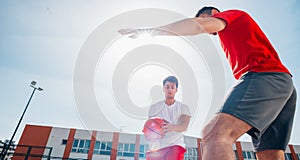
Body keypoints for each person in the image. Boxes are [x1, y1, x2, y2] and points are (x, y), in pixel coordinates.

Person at [119, 6, 297, 160]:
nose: (211, 32)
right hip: (283, 84)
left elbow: (198, 26)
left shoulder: (232, 16)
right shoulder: (235, 32)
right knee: (269, 154)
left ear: (213, 13)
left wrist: (151, 31)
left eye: (204, 19)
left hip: (263, 76)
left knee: (214, 135)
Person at [146, 76, 191, 160]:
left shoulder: (183, 108)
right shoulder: (154, 108)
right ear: (163, 89)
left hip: (175, 145)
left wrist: (171, 127)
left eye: (172, 87)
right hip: (158, 147)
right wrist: (153, 132)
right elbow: (150, 128)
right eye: (167, 87)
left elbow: (184, 126)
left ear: (176, 90)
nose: (169, 89)